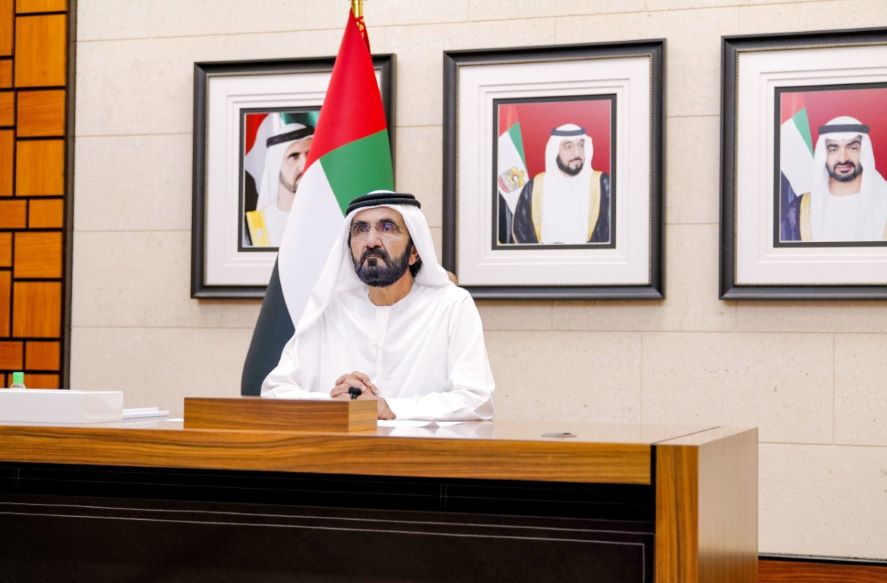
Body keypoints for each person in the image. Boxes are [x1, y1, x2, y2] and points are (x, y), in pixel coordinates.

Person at [261, 190, 495, 421]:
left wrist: (388, 408)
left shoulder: (451, 306)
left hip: (419, 445)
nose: (371, 241)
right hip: (343, 445)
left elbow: (477, 400)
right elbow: (274, 391)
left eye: (387, 227)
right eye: (360, 229)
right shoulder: (330, 309)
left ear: (414, 252)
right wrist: (338, 402)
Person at [781, 115, 887, 242]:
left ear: (864, 152)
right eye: (833, 149)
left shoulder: (883, 202)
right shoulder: (799, 210)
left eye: (852, 148)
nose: (843, 158)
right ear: (823, 154)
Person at [511, 123, 610, 244]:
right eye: (568, 147)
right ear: (555, 152)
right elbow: (521, 230)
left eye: (581, 145)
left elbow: (611, 231)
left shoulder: (602, 184)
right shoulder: (535, 186)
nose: (577, 153)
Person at [245, 122, 314, 247]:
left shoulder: (329, 215)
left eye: (310, 154)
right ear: (276, 166)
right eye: (294, 156)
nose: (304, 165)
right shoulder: (252, 225)